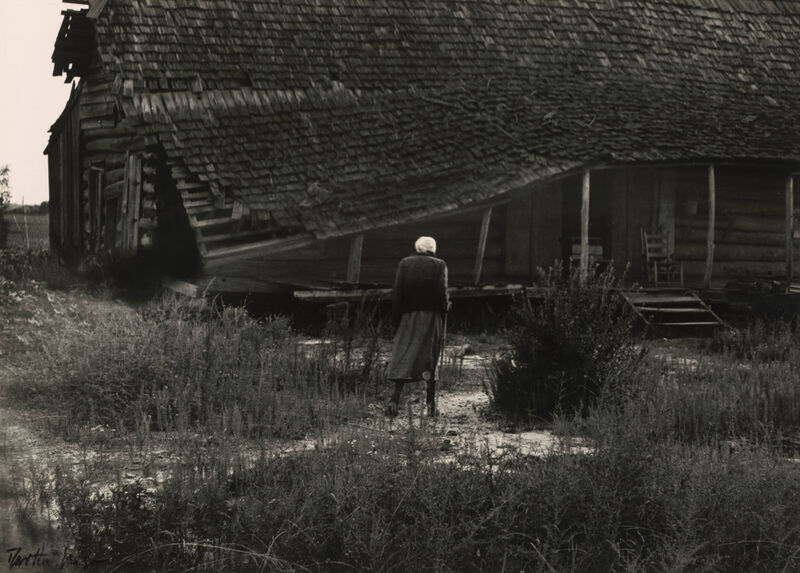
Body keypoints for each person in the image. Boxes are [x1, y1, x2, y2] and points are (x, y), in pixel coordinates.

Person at [385, 236, 449, 417]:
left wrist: (396, 318)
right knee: (431, 355)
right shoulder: (440, 264)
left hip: (408, 315)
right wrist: (445, 307)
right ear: (432, 249)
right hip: (431, 316)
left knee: (404, 353)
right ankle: (430, 406)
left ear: (417, 247)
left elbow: (398, 292)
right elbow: (442, 291)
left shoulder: (405, 263)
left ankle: (394, 401)